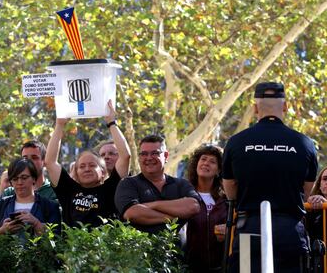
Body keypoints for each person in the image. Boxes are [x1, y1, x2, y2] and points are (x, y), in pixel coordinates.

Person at [222, 82, 318, 273]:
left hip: (249, 228)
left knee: (245, 270)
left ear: (255, 107)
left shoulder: (237, 142)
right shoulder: (304, 143)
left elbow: (230, 188)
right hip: (289, 231)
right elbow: (307, 191)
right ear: (285, 106)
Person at [45, 100, 131, 227]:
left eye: (92, 165)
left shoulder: (111, 188)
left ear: (102, 171)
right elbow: (50, 162)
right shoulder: (68, 189)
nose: (87, 169)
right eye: (82, 166)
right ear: (76, 172)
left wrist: (112, 123)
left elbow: (125, 156)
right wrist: (59, 125)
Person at [115, 134, 200, 234]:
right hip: (141, 248)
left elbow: (193, 206)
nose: (149, 158)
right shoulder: (128, 184)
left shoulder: (181, 184)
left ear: (166, 156)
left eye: (155, 153)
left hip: (177, 249)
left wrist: (152, 205)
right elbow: (132, 213)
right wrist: (172, 220)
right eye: (144, 154)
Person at [0, 158, 60, 236]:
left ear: (34, 179)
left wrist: (36, 223)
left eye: (24, 177)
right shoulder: (0, 205)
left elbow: (56, 241)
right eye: (15, 179)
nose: (19, 182)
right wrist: (2, 230)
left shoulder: (49, 206)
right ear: (11, 182)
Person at [184, 145, 227, 273]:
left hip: (221, 268)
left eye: (212, 161)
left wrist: (229, 230)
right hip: (190, 268)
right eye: (203, 159)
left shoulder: (227, 200)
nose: (206, 163)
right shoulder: (184, 194)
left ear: (219, 170)